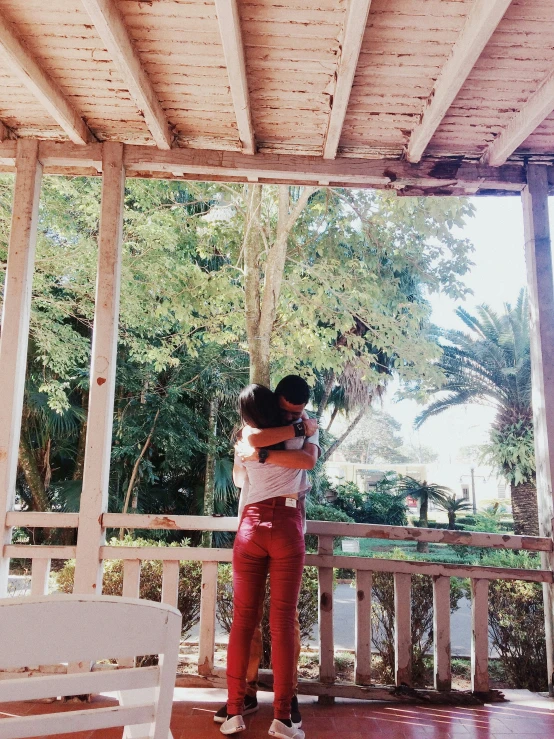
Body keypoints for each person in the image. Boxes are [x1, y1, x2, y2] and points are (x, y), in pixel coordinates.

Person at [214, 377, 319, 731]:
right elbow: (307, 461)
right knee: (283, 622)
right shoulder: (301, 431)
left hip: (251, 527)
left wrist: (261, 456)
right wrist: (302, 427)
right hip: (287, 524)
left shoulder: (248, 437)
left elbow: (248, 467)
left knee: (244, 620)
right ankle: (283, 715)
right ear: (278, 404)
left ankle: (233, 712)